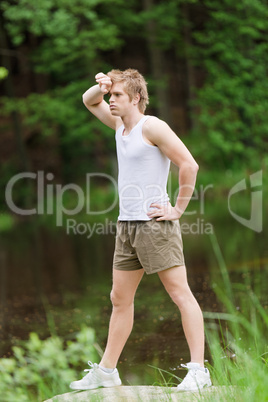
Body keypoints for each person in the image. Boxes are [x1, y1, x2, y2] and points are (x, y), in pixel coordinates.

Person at [70, 69, 212, 392]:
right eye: (111, 95)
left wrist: (176, 210)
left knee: (180, 294)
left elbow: (189, 165)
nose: (111, 100)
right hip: (127, 226)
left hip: (155, 225)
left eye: (117, 95)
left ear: (135, 98)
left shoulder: (153, 127)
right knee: (119, 299)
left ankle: (199, 371)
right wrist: (102, 85)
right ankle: (107, 371)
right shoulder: (121, 126)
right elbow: (88, 100)